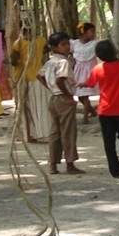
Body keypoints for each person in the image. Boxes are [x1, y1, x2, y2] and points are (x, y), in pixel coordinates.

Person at [87, 39, 119, 178]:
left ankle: (115, 170)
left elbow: (90, 83)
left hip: (105, 110)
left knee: (108, 141)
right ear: (114, 51)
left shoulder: (97, 69)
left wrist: (78, 84)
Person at [39, 30, 83, 174]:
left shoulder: (50, 62)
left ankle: (53, 165)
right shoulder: (63, 62)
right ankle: (70, 164)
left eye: (67, 44)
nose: (67, 47)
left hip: (54, 98)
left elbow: (40, 76)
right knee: (68, 132)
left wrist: (51, 89)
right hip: (64, 98)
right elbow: (60, 79)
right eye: (63, 44)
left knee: (55, 133)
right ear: (55, 47)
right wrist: (67, 95)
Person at [10, 25, 50, 143]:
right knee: (37, 107)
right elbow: (47, 49)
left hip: (27, 78)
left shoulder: (19, 43)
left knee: (28, 107)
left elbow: (13, 62)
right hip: (34, 78)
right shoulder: (40, 41)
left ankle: (32, 134)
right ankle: (36, 133)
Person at [70, 22, 100, 122]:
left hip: (90, 71)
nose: (93, 34)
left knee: (85, 95)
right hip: (78, 71)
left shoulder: (94, 44)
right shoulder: (74, 44)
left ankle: (85, 117)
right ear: (84, 32)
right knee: (80, 96)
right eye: (91, 31)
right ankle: (93, 111)